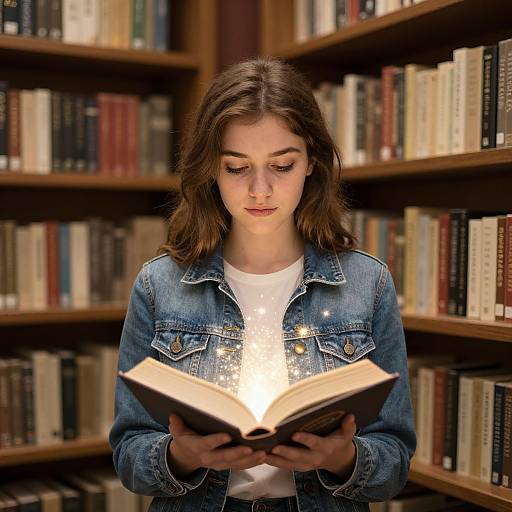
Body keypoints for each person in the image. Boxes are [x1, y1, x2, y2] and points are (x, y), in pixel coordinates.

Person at [109, 57, 416, 512]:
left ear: (311, 161)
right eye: (237, 167)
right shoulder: (159, 285)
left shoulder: (367, 283)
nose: (260, 189)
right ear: (211, 169)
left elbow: (395, 459)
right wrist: (179, 456)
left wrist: (345, 458)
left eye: (282, 165)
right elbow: (128, 451)